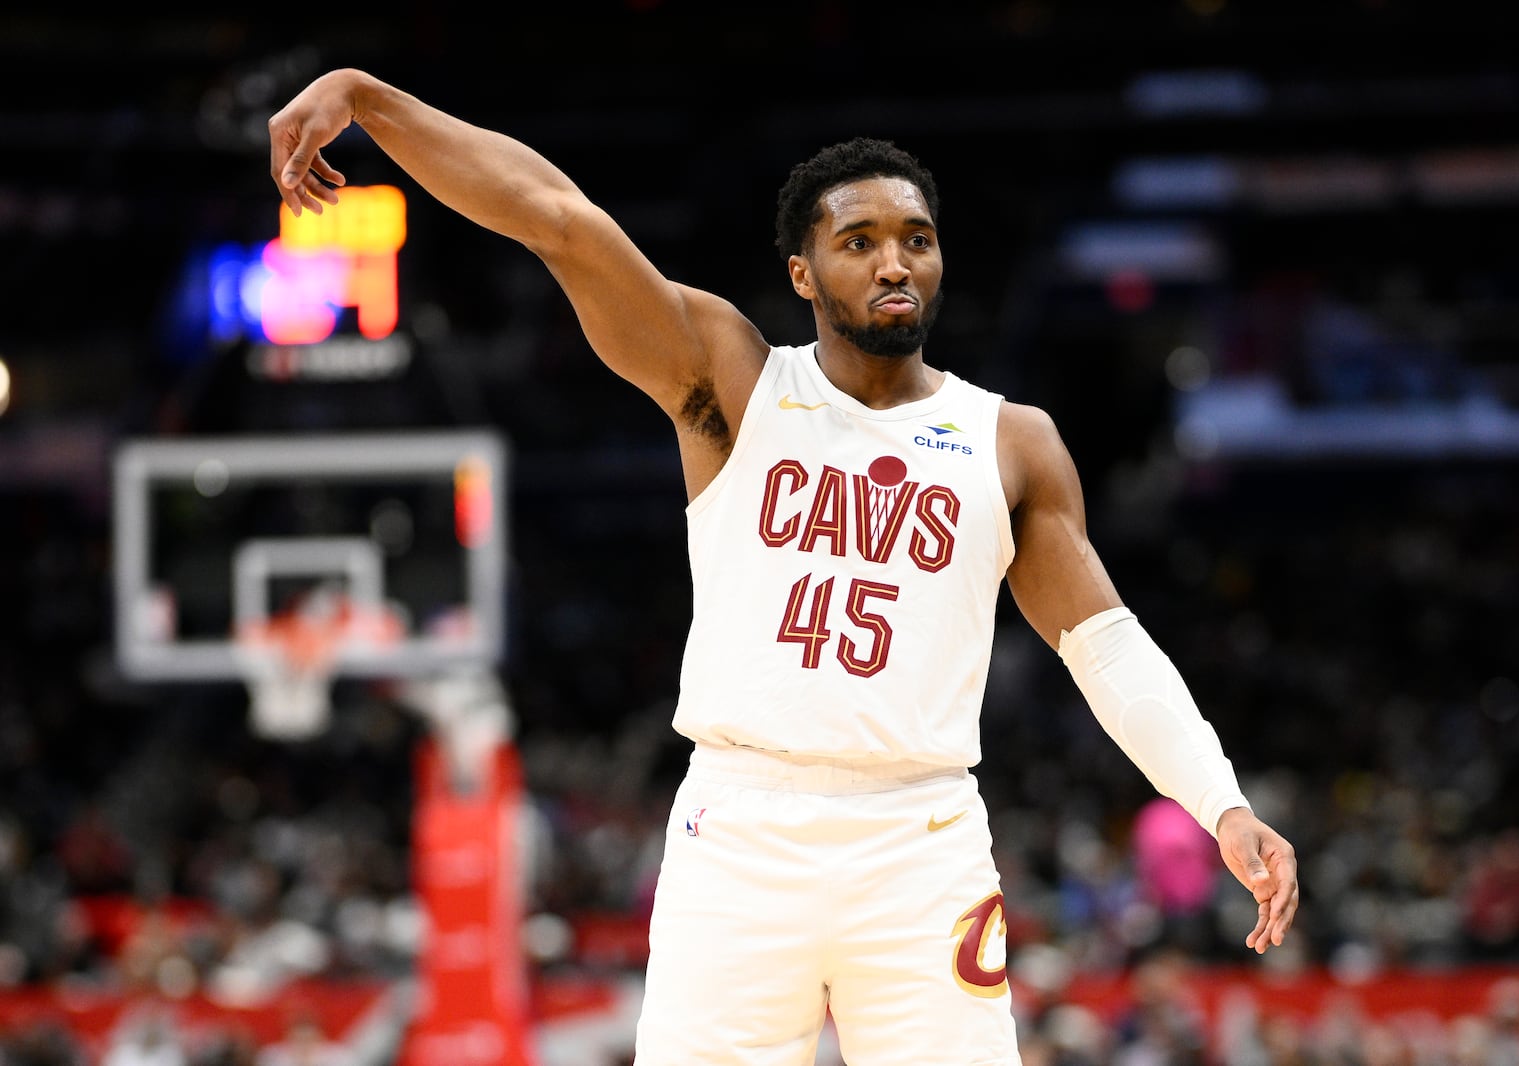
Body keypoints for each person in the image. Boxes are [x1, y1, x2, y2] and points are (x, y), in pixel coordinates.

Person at [267, 68, 1299, 1066]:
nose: (893, 263)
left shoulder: (1009, 441)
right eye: (859, 242)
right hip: (743, 822)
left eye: (916, 240)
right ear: (803, 273)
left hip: (921, 833)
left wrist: (1219, 801)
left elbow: (1103, 646)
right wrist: (367, 99)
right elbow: (558, 217)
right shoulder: (734, 380)